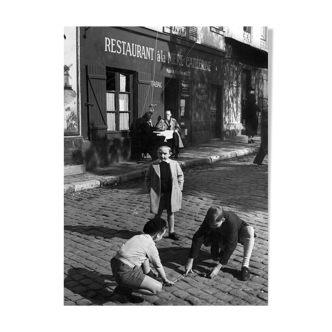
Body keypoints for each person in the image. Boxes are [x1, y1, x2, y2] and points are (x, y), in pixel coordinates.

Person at [110, 217, 174, 303]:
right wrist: (165, 279)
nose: (162, 237)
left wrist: (150, 275)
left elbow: (145, 261)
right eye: (163, 235)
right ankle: (124, 289)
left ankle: (124, 286)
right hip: (124, 272)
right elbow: (158, 265)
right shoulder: (150, 245)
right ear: (158, 234)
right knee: (157, 288)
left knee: (144, 261)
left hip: (115, 264)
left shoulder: (138, 237)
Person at [184, 205, 256, 281]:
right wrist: (190, 260)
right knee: (215, 256)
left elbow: (232, 244)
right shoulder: (211, 217)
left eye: (214, 225)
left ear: (223, 219)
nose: (211, 227)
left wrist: (218, 267)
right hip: (219, 235)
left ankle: (245, 266)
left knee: (249, 230)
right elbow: (199, 235)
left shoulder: (232, 221)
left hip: (235, 234)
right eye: (210, 225)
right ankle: (219, 249)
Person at [145, 145, 184, 241]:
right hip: (159, 194)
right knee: (157, 213)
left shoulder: (174, 164)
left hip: (171, 193)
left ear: (170, 154)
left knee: (171, 213)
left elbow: (180, 176)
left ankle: (171, 231)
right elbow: (148, 178)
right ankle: (154, 232)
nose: (162, 156)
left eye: (165, 154)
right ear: (157, 153)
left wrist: (179, 189)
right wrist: (150, 189)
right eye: (160, 153)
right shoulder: (153, 165)